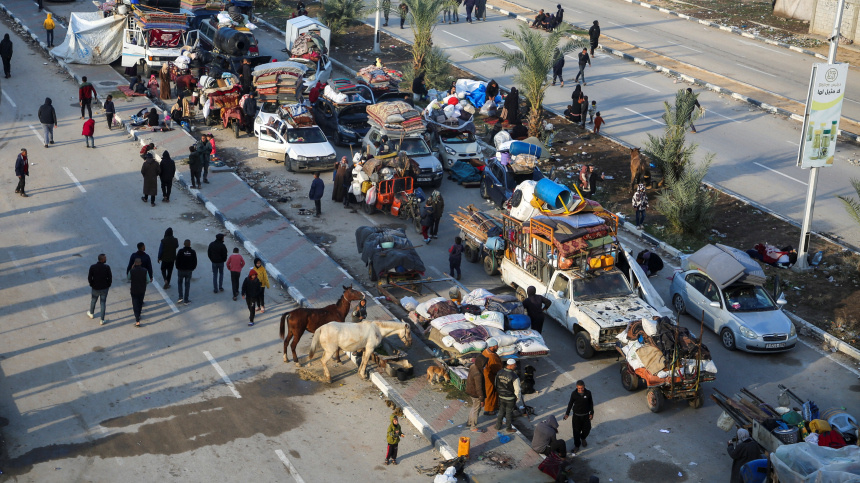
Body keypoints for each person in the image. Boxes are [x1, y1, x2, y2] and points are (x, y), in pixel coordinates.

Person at [563, 380, 594, 455]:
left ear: (584, 386)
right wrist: (567, 413)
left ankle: (583, 438)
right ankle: (577, 445)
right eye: (579, 388)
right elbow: (570, 403)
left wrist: (591, 413)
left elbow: (591, 403)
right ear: (577, 387)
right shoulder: (574, 394)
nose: (580, 390)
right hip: (576, 417)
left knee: (587, 429)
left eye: (582, 388)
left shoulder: (588, 393)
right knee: (576, 432)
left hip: (586, 416)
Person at [494, 359, 522, 433]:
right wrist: (517, 398)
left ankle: (498, 426)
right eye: (514, 365)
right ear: (510, 365)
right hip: (510, 398)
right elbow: (518, 389)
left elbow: (496, 384)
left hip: (501, 396)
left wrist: (499, 393)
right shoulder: (514, 376)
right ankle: (508, 428)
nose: (515, 366)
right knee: (509, 413)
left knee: (501, 411)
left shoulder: (499, 372)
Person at [87, 253, 112, 325]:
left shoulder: (93, 267)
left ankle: (91, 313)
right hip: (104, 288)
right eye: (105, 258)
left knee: (93, 300)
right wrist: (108, 285)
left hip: (95, 288)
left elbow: (89, 278)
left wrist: (92, 284)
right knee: (103, 303)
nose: (106, 259)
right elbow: (110, 278)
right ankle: (102, 320)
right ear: (102, 259)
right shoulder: (107, 267)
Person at [464, 354, 486, 432]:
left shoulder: (473, 366)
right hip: (476, 394)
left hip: (470, 391)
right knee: (476, 409)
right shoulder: (478, 374)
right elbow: (479, 388)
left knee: (474, 407)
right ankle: (473, 426)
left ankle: (469, 422)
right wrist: (482, 399)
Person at [129, 258, 151, 327]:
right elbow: (148, 280)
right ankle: (139, 314)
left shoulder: (132, 271)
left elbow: (128, 278)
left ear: (134, 263)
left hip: (134, 289)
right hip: (142, 289)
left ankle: (137, 319)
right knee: (140, 302)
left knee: (135, 303)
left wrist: (131, 269)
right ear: (141, 263)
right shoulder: (145, 271)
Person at [482, 340, 502, 415]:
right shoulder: (492, 357)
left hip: (486, 375)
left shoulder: (485, 352)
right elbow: (497, 369)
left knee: (494, 392)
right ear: (492, 346)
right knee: (490, 393)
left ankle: (495, 406)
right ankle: (488, 410)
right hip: (490, 377)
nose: (498, 347)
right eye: (496, 345)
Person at [175, 239, 197, 305]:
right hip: (189, 271)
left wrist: (178, 267)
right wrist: (192, 268)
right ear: (190, 244)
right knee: (187, 285)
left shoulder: (180, 251)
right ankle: (186, 299)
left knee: (180, 283)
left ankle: (180, 297)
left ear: (184, 244)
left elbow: (177, 260)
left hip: (181, 270)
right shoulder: (192, 252)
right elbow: (195, 262)